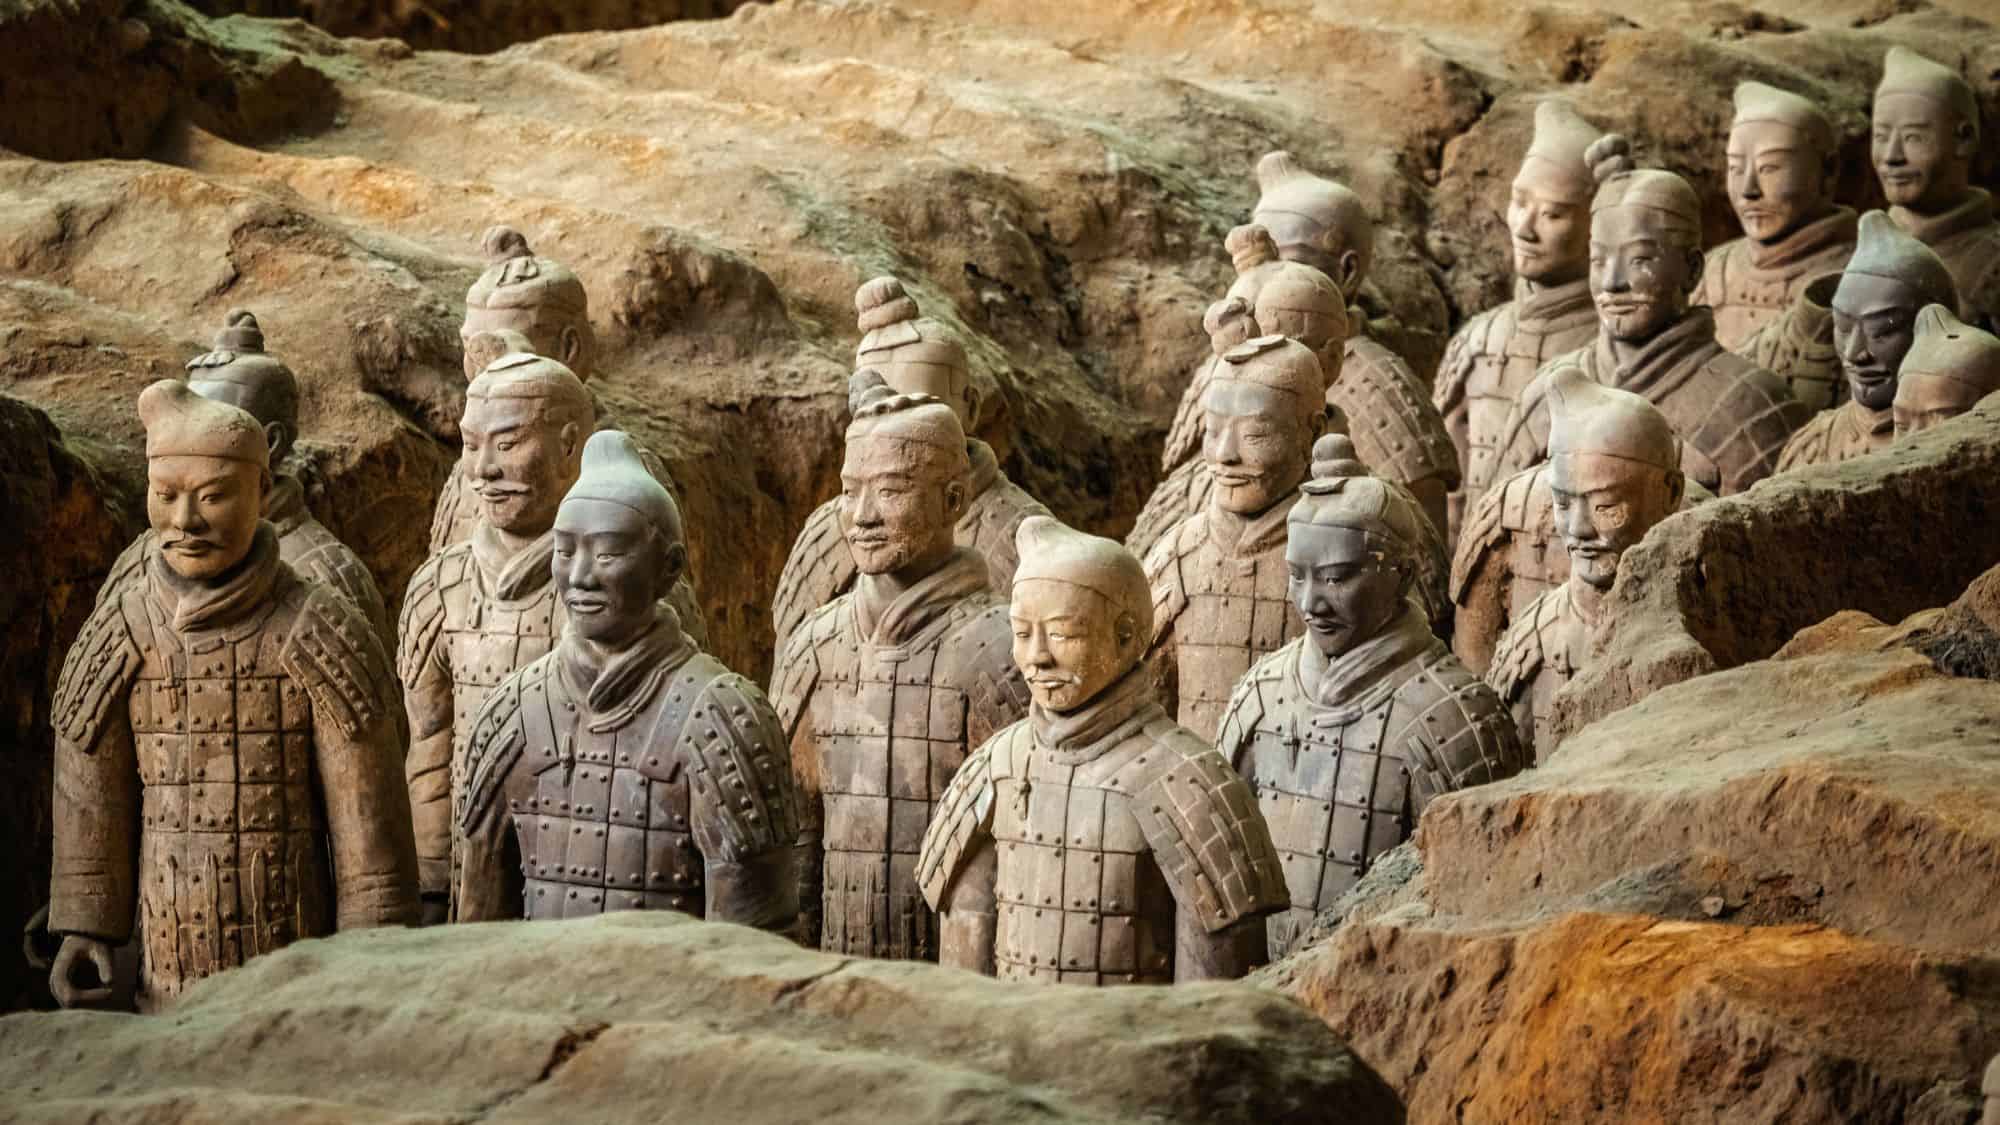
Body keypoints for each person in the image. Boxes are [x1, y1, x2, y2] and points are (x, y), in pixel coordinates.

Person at [47, 380, 415, 1009]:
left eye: (213, 497)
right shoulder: (124, 626)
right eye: (165, 497)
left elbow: (368, 822)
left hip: (297, 968)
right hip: (163, 962)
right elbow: (88, 779)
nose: (185, 522)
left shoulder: (317, 627)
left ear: (262, 493)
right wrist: (88, 924)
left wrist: (374, 952)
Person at [918, 517, 1288, 983]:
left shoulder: (1190, 781)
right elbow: (963, 984)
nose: (1037, 657)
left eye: (1062, 633)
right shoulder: (997, 768)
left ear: (1127, 635)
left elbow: (1210, 1010)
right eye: (1022, 632)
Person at [454, 431, 799, 928]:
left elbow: (760, 948)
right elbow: (478, 929)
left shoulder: (723, 718)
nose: (580, 577)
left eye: (608, 553)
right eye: (566, 551)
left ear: (669, 568)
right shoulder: (512, 711)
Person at [1217, 435, 1525, 957]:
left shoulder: (1454, 717)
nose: (1311, 603)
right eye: (1298, 576)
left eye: (1336, 578)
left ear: (1400, 573)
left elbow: (1481, 910)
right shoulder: (1260, 693)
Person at [772, 371, 1028, 961]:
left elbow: (1021, 851)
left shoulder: (999, 649)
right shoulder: (816, 644)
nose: (862, 516)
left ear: (954, 500)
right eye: (850, 490)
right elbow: (795, 834)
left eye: (890, 490)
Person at [1492, 134, 1808, 497]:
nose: (1612, 284)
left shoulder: (1753, 406)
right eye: (1598, 261)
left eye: (1640, 260)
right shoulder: (1542, 394)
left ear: (1691, 270)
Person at [399, 351, 594, 921]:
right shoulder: (439, 586)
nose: (482, 468)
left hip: (588, 876)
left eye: (507, 444)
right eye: (471, 443)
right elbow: (430, 748)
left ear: (568, 447)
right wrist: (432, 885)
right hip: (470, 883)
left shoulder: (623, 588)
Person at [771, 277, 1048, 654]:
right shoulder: (824, 531)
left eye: (923, 408)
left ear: (971, 407)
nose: (896, 431)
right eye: (876, 413)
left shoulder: (1024, 539)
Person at [1487, 369, 1686, 756]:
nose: (1577, 530)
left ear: (1671, 493)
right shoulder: (1530, 641)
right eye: (1562, 504)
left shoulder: (1707, 619)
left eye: (1606, 506)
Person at [1437, 98, 1604, 537]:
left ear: (1597, 226)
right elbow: (1447, 492)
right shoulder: (1477, 339)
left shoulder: (1610, 353)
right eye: (1519, 202)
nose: (1524, 228)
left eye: (1552, 214)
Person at [1144, 335, 1325, 741]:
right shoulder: (1176, 557)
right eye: (1213, 429)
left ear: (1312, 432)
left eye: (1255, 435)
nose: (1224, 454)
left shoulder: (1348, 560)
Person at [1776, 212, 1958, 470]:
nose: (1855, 354)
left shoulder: (1962, 434)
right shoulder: (1809, 448)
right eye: (1843, 327)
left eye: (1882, 330)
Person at [1874, 47, 1999, 334]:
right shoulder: (1860, 247)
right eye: (1880, 137)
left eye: (1913, 137)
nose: (1892, 156)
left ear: (1964, 139)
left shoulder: (1992, 263)